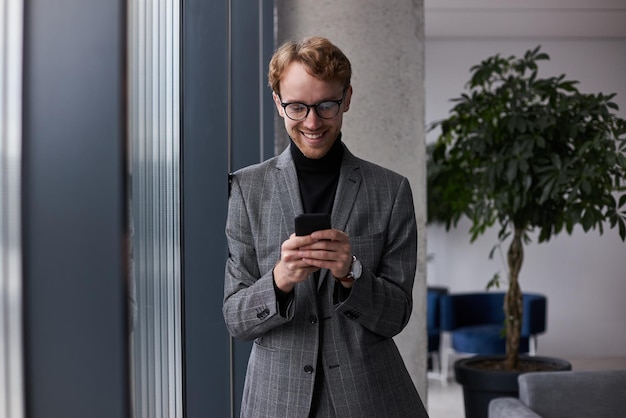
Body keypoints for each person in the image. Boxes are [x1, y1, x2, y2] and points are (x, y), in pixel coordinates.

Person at [223, 36, 428, 418]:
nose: (313, 122)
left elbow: (396, 316)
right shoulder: (248, 189)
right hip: (276, 399)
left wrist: (352, 273)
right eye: (297, 107)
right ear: (278, 103)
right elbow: (236, 318)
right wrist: (280, 280)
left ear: (347, 98)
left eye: (326, 106)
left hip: (368, 397)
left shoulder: (391, 190)